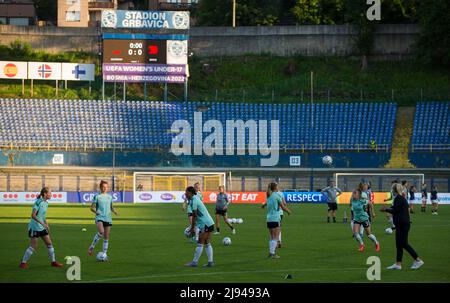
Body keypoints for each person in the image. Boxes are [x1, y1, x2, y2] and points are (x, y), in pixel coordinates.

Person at [381, 183, 424, 270]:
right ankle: (398, 264)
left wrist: (385, 209)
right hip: (401, 224)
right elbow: (396, 208)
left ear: (395, 190)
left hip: (403, 225)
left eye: (392, 189)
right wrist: (387, 209)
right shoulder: (399, 198)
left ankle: (418, 260)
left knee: (404, 243)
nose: (391, 191)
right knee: (398, 244)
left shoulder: (399, 198)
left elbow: (395, 211)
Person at [19, 187, 64, 268]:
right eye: (50, 193)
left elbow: (42, 216)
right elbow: (33, 215)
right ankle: (23, 263)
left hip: (42, 227)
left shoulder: (46, 203)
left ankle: (53, 262)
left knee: (49, 243)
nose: (51, 194)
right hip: (34, 227)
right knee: (34, 246)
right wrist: (43, 224)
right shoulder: (38, 202)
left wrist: (46, 224)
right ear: (45, 194)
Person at [184, 186, 215, 267]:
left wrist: (192, 228)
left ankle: (194, 262)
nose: (185, 193)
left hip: (205, 224)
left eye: (186, 192)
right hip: (209, 222)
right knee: (207, 243)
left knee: (200, 243)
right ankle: (210, 262)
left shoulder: (194, 200)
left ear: (190, 193)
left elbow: (194, 215)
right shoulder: (193, 199)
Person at [88, 180, 118, 257]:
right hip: (99, 217)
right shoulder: (97, 196)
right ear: (100, 188)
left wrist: (114, 211)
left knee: (106, 237)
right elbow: (91, 208)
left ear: (108, 188)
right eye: (103, 187)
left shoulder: (110, 197)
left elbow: (111, 207)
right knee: (101, 231)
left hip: (108, 218)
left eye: (106, 187)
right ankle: (92, 246)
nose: (105, 188)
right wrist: (96, 212)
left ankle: (104, 254)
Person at [263, 182, 291, 259]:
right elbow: (283, 206)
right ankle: (272, 254)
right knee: (276, 237)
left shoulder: (268, 195)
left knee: (271, 237)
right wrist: (289, 212)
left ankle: (271, 253)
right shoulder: (277, 196)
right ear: (275, 188)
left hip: (268, 219)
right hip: (275, 218)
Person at [262, 184, 286, 248]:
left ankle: (275, 243)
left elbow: (268, 201)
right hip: (279, 214)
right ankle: (278, 241)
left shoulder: (270, 194)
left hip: (271, 216)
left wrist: (264, 205)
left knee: (272, 232)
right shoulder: (280, 194)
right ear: (276, 187)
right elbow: (284, 204)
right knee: (278, 227)